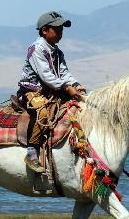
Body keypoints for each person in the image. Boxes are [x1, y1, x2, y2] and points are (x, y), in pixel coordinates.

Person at [16, 11, 86, 173]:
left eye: (61, 29)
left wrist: (75, 84)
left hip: (53, 90)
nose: (61, 32)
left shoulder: (57, 52)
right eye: (57, 29)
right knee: (41, 112)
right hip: (31, 91)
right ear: (44, 31)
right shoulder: (36, 49)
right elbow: (46, 76)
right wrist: (67, 88)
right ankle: (31, 152)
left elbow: (64, 73)